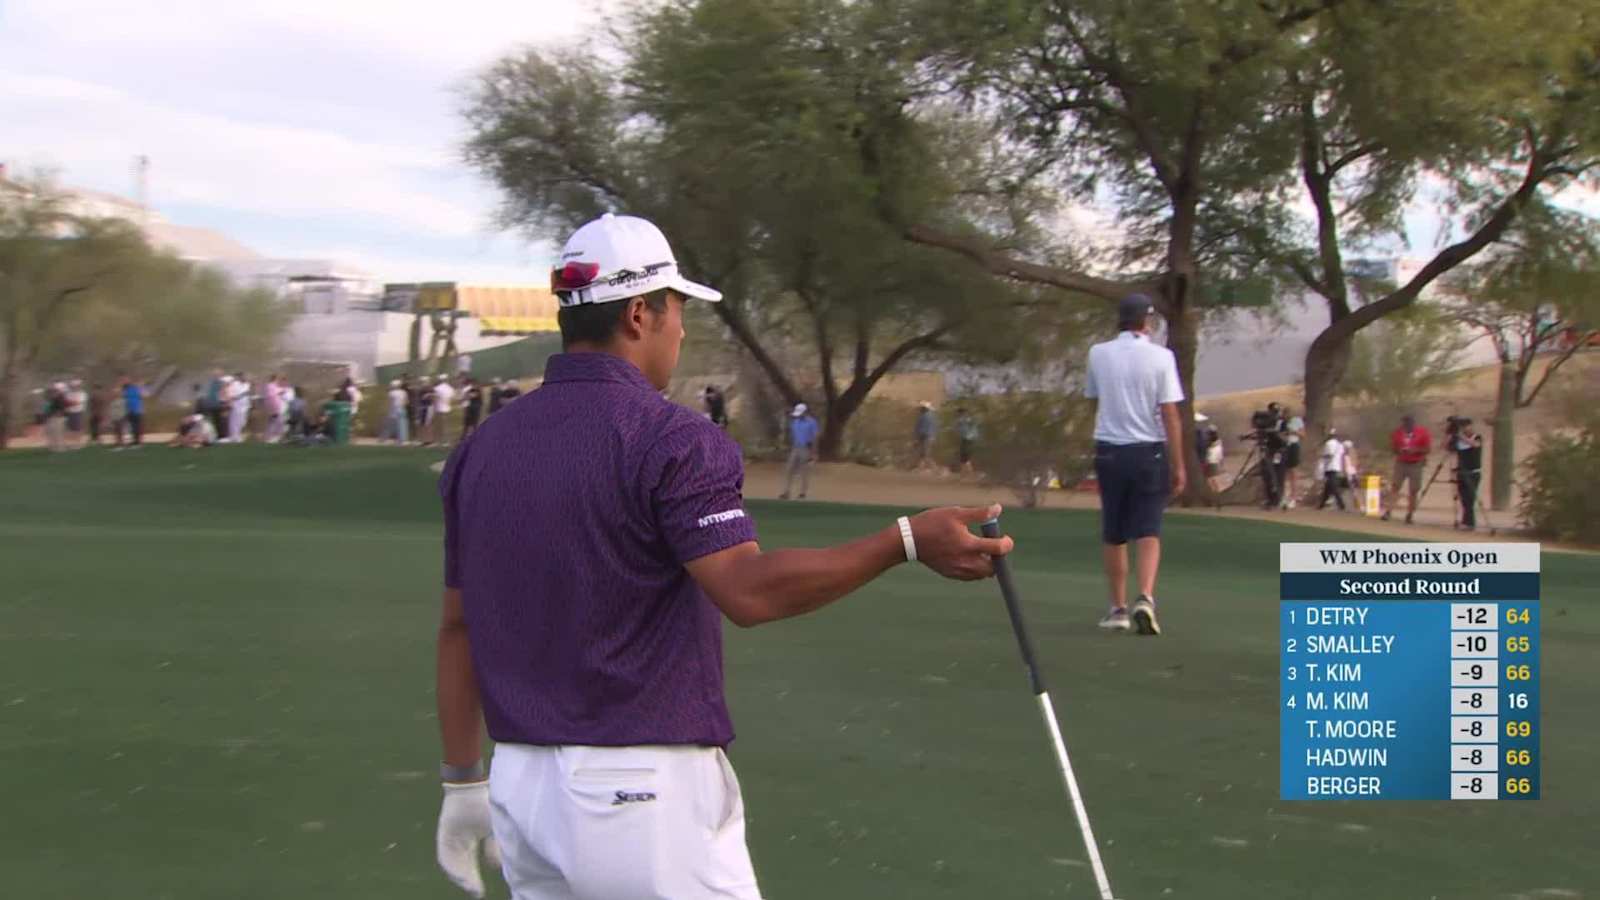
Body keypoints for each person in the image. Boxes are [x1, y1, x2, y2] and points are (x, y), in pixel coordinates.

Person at [431, 212, 1012, 900]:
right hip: (638, 798)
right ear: (641, 314)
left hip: (520, 791)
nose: (682, 328)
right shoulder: (674, 438)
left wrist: (463, 779)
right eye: (677, 310)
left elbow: (459, 626)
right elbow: (747, 591)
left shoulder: (482, 448)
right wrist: (905, 541)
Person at [1084, 293, 1185, 636]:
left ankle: (1118, 608)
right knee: (1148, 529)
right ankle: (1145, 596)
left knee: (1114, 533)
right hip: (1148, 451)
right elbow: (1169, 412)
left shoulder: (1098, 353)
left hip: (1110, 449)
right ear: (1147, 321)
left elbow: (1094, 400)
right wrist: (1179, 463)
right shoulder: (1161, 357)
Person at [1382, 413, 1431, 524]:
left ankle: (1409, 514)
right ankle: (1388, 512)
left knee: (1413, 490)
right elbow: (1393, 448)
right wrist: (1399, 450)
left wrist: (1415, 450)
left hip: (1416, 463)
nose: (1407, 426)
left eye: (1409, 423)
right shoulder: (1398, 433)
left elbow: (1427, 449)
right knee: (1395, 487)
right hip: (1401, 462)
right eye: (1405, 423)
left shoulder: (1422, 433)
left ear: (1413, 423)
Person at [1450, 418, 1485, 531]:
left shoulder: (1477, 437)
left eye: (1466, 426)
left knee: (1470, 498)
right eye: (1463, 426)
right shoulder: (1458, 441)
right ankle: (1466, 522)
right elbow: (1448, 448)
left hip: (1473, 473)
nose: (1465, 428)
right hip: (1461, 472)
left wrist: (1460, 437)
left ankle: (1469, 523)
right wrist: (1450, 435)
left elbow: (1475, 445)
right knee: (1464, 498)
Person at [779, 402, 818, 500]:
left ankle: (802, 493)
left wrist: (814, 453)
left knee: (804, 471)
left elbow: (815, 438)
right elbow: (793, 436)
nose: (798, 415)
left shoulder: (811, 422)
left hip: (806, 448)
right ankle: (786, 492)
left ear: (805, 412)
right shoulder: (795, 422)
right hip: (795, 448)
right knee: (789, 469)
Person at [1278, 406, 1305, 509]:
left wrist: (1293, 431)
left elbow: (1303, 434)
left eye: (1288, 414)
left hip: (1293, 445)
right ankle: (1283, 496)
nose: (1286, 416)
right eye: (1285, 414)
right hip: (1283, 446)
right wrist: (1283, 434)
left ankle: (1294, 497)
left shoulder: (1297, 421)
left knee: (1293, 471)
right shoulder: (1281, 422)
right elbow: (1279, 434)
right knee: (1282, 471)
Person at [1316, 426, 1348, 511]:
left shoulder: (1328, 444)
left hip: (1330, 466)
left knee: (1333, 486)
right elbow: (1342, 456)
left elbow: (1328, 455)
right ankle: (1321, 505)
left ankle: (1341, 505)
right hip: (1337, 466)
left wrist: (1322, 456)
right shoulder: (1340, 445)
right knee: (1328, 486)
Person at [42, 382, 69, 452]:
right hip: (53, 417)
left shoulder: (60, 398)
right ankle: (53, 447)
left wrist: (57, 414)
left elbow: (61, 408)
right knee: (53, 433)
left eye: (55, 390)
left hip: (58, 418)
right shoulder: (53, 398)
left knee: (58, 433)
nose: (54, 391)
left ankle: (60, 448)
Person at [429, 374, 455, 446]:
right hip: (448, 408)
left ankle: (438, 441)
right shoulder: (450, 388)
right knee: (447, 426)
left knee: (438, 426)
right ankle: (446, 441)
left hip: (439, 409)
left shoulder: (437, 388)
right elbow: (452, 399)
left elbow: (434, 399)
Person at [121, 376, 145, 446]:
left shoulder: (135, 388)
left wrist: (141, 387)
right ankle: (134, 440)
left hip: (137, 410)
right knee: (132, 427)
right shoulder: (125, 390)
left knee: (137, 426)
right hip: (129, 410)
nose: (124, 381)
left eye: (125, 380)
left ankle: (139, 442)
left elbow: (144, 394)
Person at [385, 379, 411, 444]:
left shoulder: (391, 393)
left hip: (394, 409)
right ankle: (404, 440)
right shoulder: (404, 392)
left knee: (396, 425)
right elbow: (407, 401)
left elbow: (390, 403)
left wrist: (389, 410)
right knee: (403, 424)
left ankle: (398, 439)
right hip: (402, 408)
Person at [914, 401, 937, 471]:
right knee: (924, 452)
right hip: (928, 436)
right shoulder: (932, 416)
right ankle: (921, 467)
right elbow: (935, 427)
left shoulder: (923, 417)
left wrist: (916, 437)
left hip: (925, 436)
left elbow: (918, 428)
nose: (920, 409)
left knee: (925, 453)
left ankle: (935, 469)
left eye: (922, 408)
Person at [262, 374, 286, 443]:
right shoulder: (270, 386)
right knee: (276, 422)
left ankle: (269, 437)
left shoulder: (273, 386)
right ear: (275, 379)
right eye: (277, 380)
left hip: (274, 406)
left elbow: (280, 391)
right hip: (274, 407)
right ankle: (271, 437)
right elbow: (272, 396)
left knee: (274, 422)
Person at [955, 407, 979, 476]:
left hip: (967, 439)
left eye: (958, 413)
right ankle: (964, 473)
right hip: (966, 439)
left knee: (965, 457)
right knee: (963, 457)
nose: (957, 414)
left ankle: (969, 473)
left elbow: (960, 429)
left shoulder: (965, 420)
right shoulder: (965, 420)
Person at [64, 379, 88, 446]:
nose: (75, 387)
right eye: (73, 386)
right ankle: (73, 442)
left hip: (78, 412)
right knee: (71, 428)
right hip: (70, 412)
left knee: (78, 428)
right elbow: (66, 402)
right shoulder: (69, 394)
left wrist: (71, 402)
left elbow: (77, 402)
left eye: (76, 386)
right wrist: (71, 403)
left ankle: (79, 442)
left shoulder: (82, 394)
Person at [1342, 438, 1363, 512]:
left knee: (1354, 490)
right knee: (1353, 490)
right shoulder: (1347, 455)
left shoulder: (1347, 455)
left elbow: (1351, 465)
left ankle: (1359, 506)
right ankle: (1357, 506)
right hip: (1351, 474)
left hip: (1351, 474)